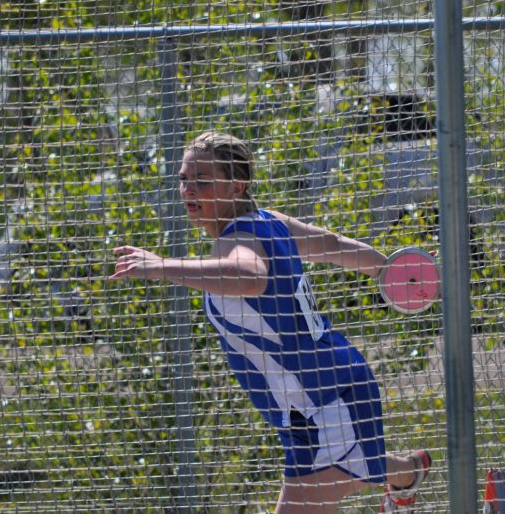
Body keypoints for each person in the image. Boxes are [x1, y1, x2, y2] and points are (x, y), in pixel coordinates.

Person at [109, 131, 431, 513]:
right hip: (317, 403)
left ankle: (407, 474)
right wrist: (390, 269)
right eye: (184, 179)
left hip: (325, 403)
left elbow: (249, 275)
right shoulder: (265, 222)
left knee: (345, 473)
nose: (189, 190)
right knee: (362, 465)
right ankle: (408, 473)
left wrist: (161, 266)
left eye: (203, 181)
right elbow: (330, 245)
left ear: (237, 186)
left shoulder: (240, 237)